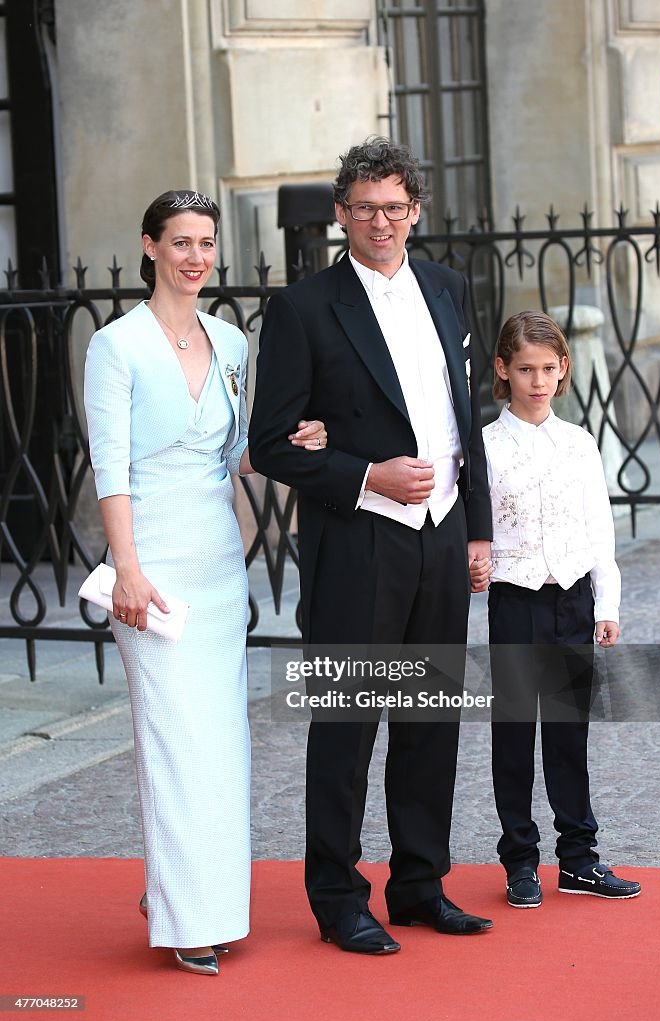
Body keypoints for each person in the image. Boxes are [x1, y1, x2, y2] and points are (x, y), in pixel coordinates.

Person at [248, 138, 494, 955]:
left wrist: (478, 528)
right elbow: (274, 442)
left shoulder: (447, 287)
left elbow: (468, 423)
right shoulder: (303, 307)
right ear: (340, 216)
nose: (379, 221)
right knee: (348, 726)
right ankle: (338, 897)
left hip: (442, 536)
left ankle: (419, 886)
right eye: (362, 208)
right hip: (358, 540)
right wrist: (367, 476)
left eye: (393, 207)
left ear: (415, 210)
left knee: (429, 721)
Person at [83, 189, 326, 975]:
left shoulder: (229, 341)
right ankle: (184, 917)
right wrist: (126, 566)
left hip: (219, 568)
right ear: (149, 247)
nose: (195, 257)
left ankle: (195, 901)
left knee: (220, 745)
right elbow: (109, 469)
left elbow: (228, 457)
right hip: (150, 571)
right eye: (180, 242)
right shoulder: (115, 347)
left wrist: (290, 443)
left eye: (205, 243)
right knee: (173, 741)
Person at [469, 310, 641, 908]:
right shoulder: (486, 446)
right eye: (525, 369)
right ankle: (519, 861)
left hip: (574, 598)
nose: (538, 381)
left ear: (563, 369)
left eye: (548, 368)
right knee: (513, 734)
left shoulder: (580, 444)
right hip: (515, 600)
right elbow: (476, 528)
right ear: (502, 370)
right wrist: (475, 564)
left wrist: (607, 602)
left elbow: (600, 531)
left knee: (569, 733)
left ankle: (579, 859)